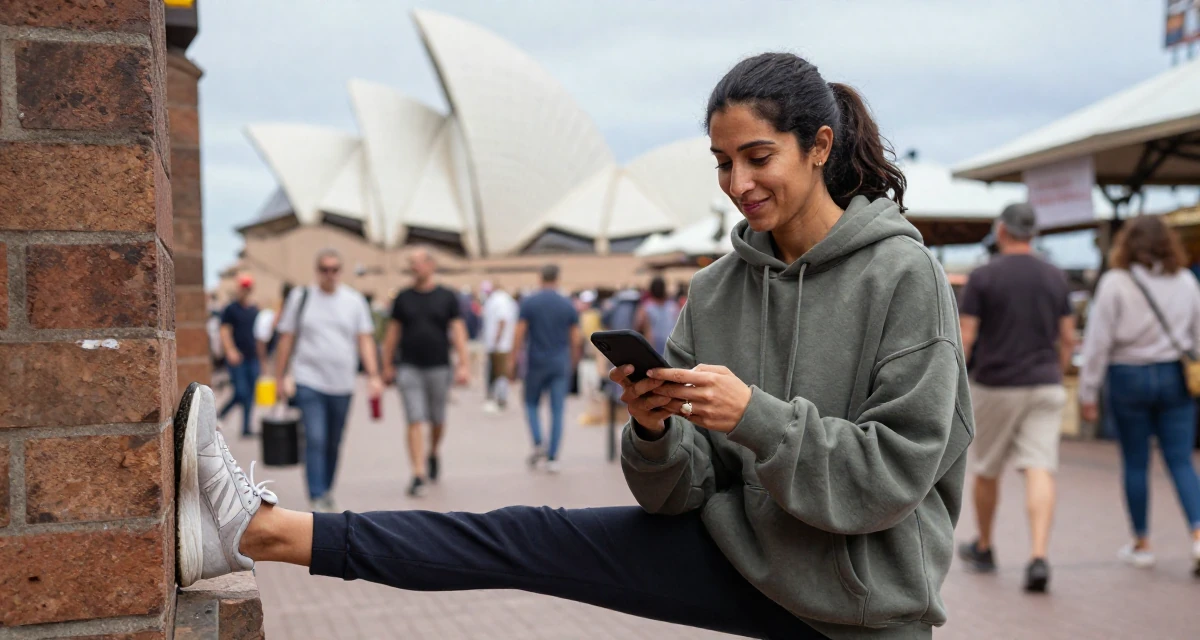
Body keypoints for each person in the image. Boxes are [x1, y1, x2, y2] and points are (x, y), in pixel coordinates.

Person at [174, 52, 971, 639]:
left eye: (758, 158)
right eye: (723, 163)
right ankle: (259, 531)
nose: (736, 183)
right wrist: (656, 431)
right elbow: (679, 497)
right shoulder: (717, 288)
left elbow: (891, 479)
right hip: (748, 559)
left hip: (863, 604)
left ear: (820, 146)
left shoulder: (903, 277)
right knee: (522, 535)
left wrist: (754, 416)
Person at [955, 203, 1074, 593]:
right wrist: (1057, 369)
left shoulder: (984, 277)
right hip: (1045, 383)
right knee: (1039, 467)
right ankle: (1038, 555)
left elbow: (965, 338)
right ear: (1033, 234)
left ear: (1002, 230)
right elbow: (1068, 337)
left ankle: (985, 547)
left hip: (997, 384)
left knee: (988, 468)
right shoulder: (1055, 276)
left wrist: (955, 385)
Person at [1078, 215, 1200, 575]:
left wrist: (1088, 391)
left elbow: (1098, 342)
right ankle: (1197, 534)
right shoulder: (1185, 281)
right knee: (1180, 460)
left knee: (1135, 462)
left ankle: (1142, 543)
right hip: (1173, 375)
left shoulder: (1115, 281)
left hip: (1126, 375)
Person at [273, 249, 382, 512]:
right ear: (317, 271)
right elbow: (286, 338)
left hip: (342, 383)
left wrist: (374, 375)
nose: (329, 274)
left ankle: (327, 489)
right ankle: (317, 494)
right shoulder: (302, 297)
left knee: (334, 441)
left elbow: (364, 339)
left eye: (334, 269)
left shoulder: (353, 301)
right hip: (308, 380)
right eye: (324, 269)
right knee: (316, 437)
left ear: (340, 271)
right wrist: (278, 377)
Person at [382, 248, 470, 497]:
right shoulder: (403, 298)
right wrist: (386, 365)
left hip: (439, 366)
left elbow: (458, 331)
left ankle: (433, 453)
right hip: (409, 367)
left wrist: (464, 364)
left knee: (437, 418)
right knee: (414, 418)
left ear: (431, 265)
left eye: (418, 262)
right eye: (411, 263)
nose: (414, 267)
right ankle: (418, 473)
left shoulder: (446, 297)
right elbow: (392, 334)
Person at [509, 265, 581, 472]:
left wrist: (513, 360)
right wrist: (573, 362)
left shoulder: (530, 302)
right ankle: (552, 456)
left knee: (531, 403)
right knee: (557, 409)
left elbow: (519, 334)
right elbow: (576, 339)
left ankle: (538, 441)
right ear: (558, 278)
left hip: (536, 361)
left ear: (540, 277)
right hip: (560, 362)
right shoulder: (567, 304)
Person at [219, 274, 261, 438]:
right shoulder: (231, 309)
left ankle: (246, 427)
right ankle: (219, 417)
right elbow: (225, 331)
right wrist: (230, 350)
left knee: (250, 394)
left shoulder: (254, 309)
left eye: (248, 287)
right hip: (237, 357)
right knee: (241, 392)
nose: (245, 290)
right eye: (243, 287)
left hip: (253, 357)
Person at [481, 283, 519, 413]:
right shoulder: (503, 300)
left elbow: (502, 320)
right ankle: (496, 397)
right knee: (496, 371)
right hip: (500, 343)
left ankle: (501, 398)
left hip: (500, 344)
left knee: (500, 372)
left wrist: (497, 339)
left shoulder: (499, 300)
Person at [642, 276, 681, 355]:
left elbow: (641, 326)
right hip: (671, 346)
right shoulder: (672, 306)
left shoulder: (647, 307)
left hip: (653, 347)